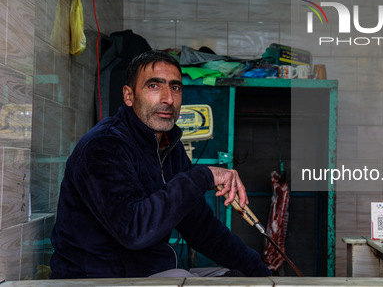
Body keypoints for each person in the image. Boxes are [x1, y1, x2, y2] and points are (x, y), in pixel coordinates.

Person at [50, 50, 271, 279]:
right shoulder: (104, 146)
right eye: (154, 86)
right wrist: (202, 175)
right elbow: (134, 230)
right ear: (129, 96)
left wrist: (264, 276)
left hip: (147, 274)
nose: (168, 99)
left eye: (175, 87)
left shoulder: (168, 148)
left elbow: (202, 228)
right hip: (98, 282)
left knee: (239, 279)